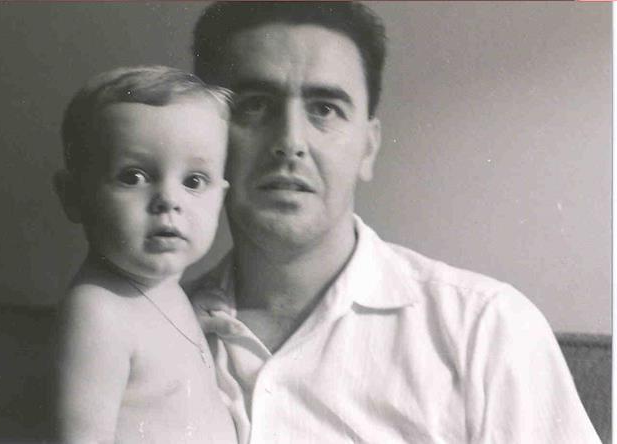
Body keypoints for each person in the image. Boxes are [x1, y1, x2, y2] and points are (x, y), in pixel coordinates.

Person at [186, 2, 601, 443]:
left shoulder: (487, 330)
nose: (290, 141)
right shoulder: (154, 325)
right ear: (203, 137)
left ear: (368, 147)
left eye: (325, 109)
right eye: (254, 105)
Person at [53, 66, 238, 443]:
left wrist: (194, 320)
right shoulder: (97, 313)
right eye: (133, 177)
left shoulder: (162, 288)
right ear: (74, 196)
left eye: (193, 181)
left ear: (220, 197)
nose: (169, 200)